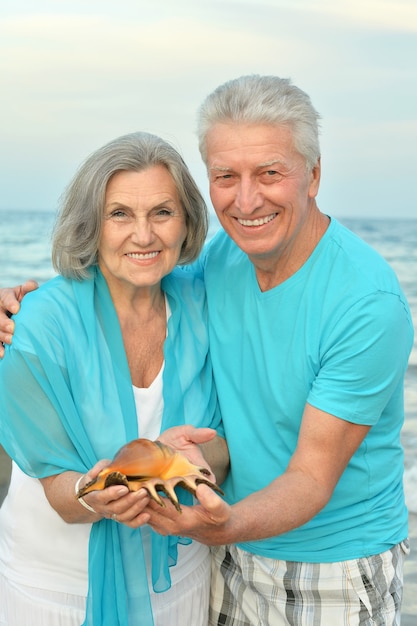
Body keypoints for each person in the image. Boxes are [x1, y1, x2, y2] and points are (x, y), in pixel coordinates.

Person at [0, 74, 414, 626]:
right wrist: (19, 302)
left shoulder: (366, 302)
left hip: (326, 565)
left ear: (313, 175)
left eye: (270, 173)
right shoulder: (218, 264)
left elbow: (312, 478)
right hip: (221, 557)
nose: (247, 200)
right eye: (226, 176)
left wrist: (220, 521)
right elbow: (125, 270)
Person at [0, 131, 227, 626]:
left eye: (162, 213)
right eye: (120, 213)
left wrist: (186, 463)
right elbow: (57, 485)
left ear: (186, 221)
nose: (143, 236)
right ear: (91, 225)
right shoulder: (36, 324)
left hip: (179, 578)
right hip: (57, 591)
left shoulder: (205, 308)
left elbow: (223, 447)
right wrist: (92, 491)